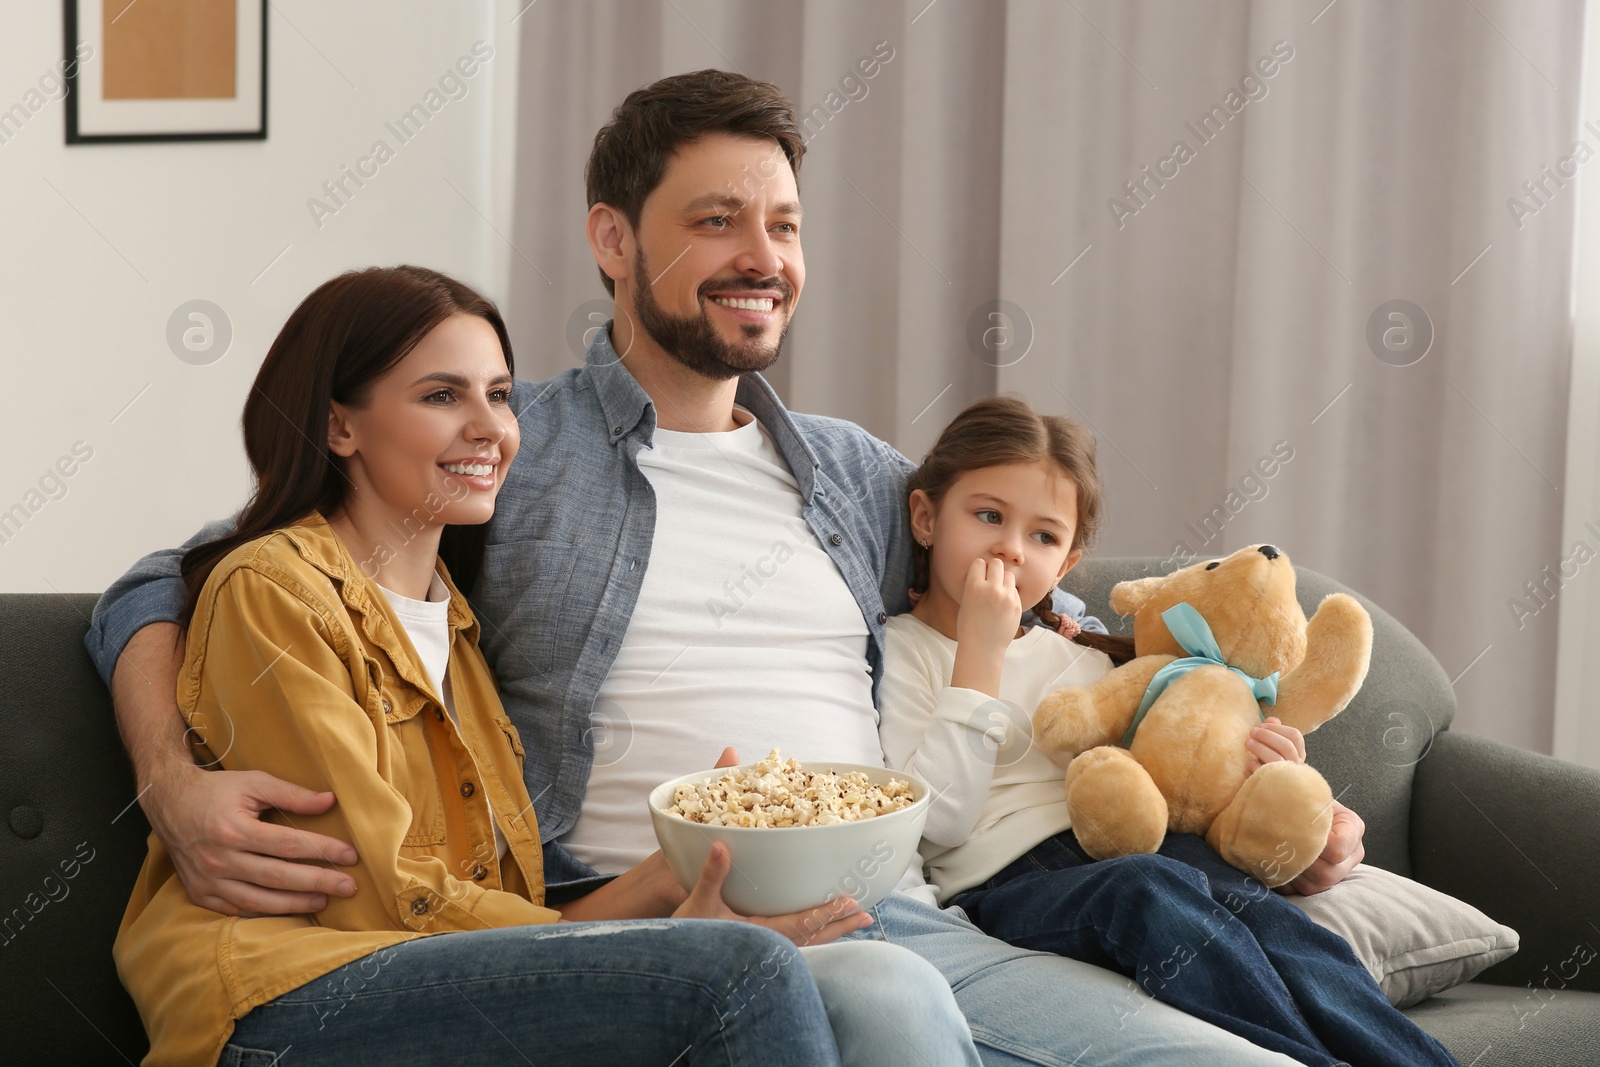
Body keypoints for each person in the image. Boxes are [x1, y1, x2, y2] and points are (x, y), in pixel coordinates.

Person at [88, 70, 1363, 1064]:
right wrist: (167, 774)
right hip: (641, 919)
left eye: (784, 223)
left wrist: (1241, 753)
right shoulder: (503, 446)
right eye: (716, 219)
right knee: (886, 1003)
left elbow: (1060, 618)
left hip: (896, 901)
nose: (762, 253)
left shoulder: (859, 476)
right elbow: (196, 573)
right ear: (612, 238)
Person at [112, 264, 979, 1066]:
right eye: (442, 395)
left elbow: (498, 920)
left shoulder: (456, 632)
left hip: (428, 976)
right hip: (283, 1001)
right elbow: (382, 896)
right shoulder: (274, 591)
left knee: (783, 970)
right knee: (739, 970)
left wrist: (680, 874)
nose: (491, 426)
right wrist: (672, 945)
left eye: (498, 394)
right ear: (340, 423)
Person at [878, 394, 1459, 1066]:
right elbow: (936, 821)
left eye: (1042, 535)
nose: (1010, 548)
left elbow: (1181, 769)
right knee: (1148, 894)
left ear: (1066, 563)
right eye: (987, 516)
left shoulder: (1094, 659)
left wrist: (1264, 772)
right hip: (1009, 889)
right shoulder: (898, 652)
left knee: (1281, 930)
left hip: (1152, 848)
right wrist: (979, 653)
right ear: (926, 517)